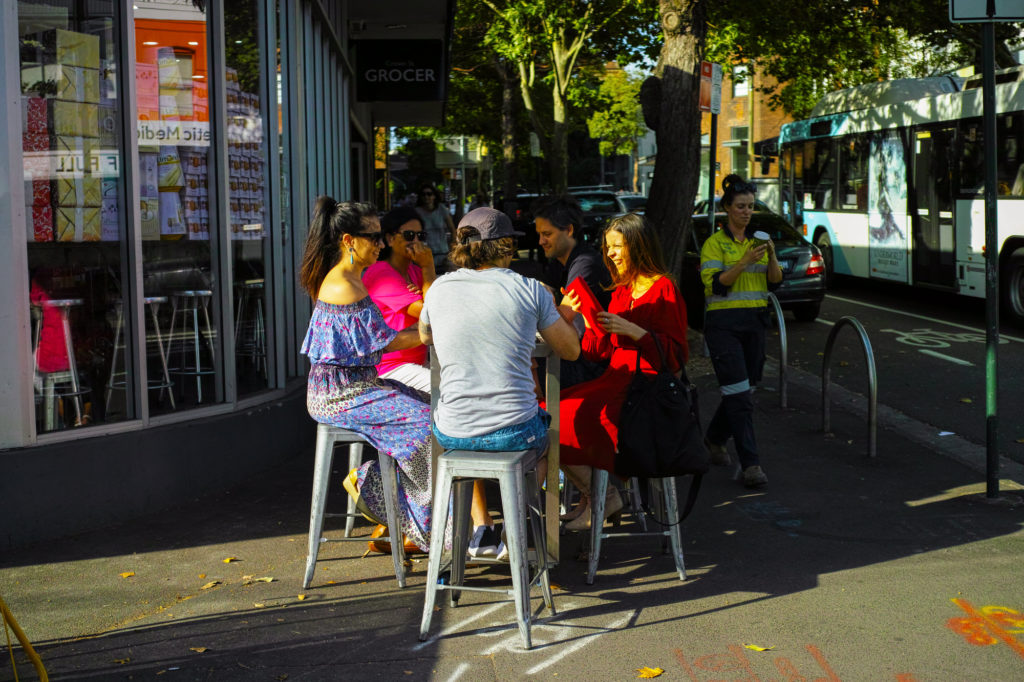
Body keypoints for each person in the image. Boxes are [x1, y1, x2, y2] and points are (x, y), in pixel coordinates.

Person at [420, 207, 581, 558]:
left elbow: (424, 335)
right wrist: (566, 313)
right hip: (515, 430)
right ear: (506, 246)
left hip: (452, 431)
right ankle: (513, 523)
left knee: (474, 437)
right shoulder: (530, 290)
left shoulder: (439, 290)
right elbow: (570, 351)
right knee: (547, 441)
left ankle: (482, 530)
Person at [298, 196, 433, 551]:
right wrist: (427, 331)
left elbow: (381, 342)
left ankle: (413, 519)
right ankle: (389, 498)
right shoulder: (344, 284)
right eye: (372, 237)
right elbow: (382, 344)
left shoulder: (354, 278)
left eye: (380, 236)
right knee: (425, 423)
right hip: (339, 394)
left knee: (432, 409)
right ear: (348, 241)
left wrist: (425, 331)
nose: (380, 243)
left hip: (356, 386)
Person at [558, 213, 689, 530]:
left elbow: (674, 358)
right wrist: (584, 319)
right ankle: (595, 497)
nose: (610, 254)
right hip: (616, 381)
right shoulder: (621, 290)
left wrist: (633, 331)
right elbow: (597, 351)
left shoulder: (663, 289)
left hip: (643, 391)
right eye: (608, 247)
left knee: (555, 420)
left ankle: (601, 497)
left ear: (639, 247)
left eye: (618, 246)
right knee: (545, 416)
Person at [699, 174, 783, 488]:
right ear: (726, 209)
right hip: (724, 329)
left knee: (744, 391)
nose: (746, 212)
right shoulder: (714, 244)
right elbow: (717, 284)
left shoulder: (759, 241)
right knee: (739, 395)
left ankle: (714, 437)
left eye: (750, 206)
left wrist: (771, 255)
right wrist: (744, 261)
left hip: (754, 327)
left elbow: (775, 281)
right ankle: (752, 465)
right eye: (740, 206)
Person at [534, 194, 613, 388]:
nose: (541, 241)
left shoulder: (586, 264)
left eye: (547, 234)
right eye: (540, 234)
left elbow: (559, 319)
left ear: (569, 230)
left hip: (595, 363)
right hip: (580, 354)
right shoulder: (559, 262)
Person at [363, 206, 436, 394]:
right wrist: (428, 266)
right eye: (409, 235)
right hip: (388, 367)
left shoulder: (414, 271)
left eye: (421, 235)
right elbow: (432, 314)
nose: (416, 241)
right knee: (444, 391)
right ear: (389, 238)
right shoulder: (382, 274)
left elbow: (441, 306)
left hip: (416, 362)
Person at [416, 183, 456, 272]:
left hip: (443, 253)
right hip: (425, 254)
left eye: (429, 194)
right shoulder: (417, 212)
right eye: (423, 194)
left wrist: (452, 250)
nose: (426, 197)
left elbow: (453, 230)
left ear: (434, 196)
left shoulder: (442, 209)